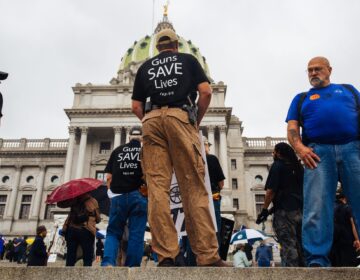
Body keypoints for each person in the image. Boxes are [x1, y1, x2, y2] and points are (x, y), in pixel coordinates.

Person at [131, 28, 227, 267]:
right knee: (193, 187)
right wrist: (195, 122)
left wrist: (150, 122)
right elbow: (205, 92)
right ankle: (207, 255)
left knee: (157, 191)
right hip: (180, 116)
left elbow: (135, 106)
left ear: (157, 46)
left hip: (151, 120)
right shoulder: (187, 60)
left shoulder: (145, 68)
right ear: (175, 45)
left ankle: (166, 255)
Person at [286, 56, 360, 267]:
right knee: (316, 206)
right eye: (309, 70)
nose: (313, 73)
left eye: (317, 69)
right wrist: (300, 148)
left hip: (352, 150)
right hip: (318, 153)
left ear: (329, 70)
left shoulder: (349, 90)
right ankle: (317, 260)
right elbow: (292, 128)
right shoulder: (301, 98)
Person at [101, 126, 147, 267]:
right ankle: (132, 266)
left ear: (128, 137)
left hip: (118, 196)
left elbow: (108, 177)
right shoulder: (145, 151)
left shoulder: (117, 151)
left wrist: (112, 194)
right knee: (136, 234)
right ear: (142, 138)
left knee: (114, 232)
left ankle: (108, 262)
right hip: (138, 195)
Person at [256, 142, 304, 267]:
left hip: (284, 212)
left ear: (278, 153)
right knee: (300, 243)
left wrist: (265, 210)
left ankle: (291, 273)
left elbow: (270, 191)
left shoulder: (277, 166)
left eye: (274, 152)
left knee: (288, 243)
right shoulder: (298, 167)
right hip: (301, 211)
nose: (273, 154)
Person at [62, 193, 101, 266]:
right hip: (86, 229)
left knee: (70, 255)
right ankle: (86, 274)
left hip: (71, 229)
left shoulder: (74, 200)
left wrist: (64, 229)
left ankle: (68, 274)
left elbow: (70, 216)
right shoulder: (92, 201)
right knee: (87, 255)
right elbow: (98, 219)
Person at [203, 136, 225, 246]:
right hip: (213, 197)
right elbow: (221, 184)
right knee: (215, 226)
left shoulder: (190, 160)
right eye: (207, 145)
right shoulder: (212, 159)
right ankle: (216, 254)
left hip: (196, 199)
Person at [330, 190, 360, 266]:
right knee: (350, 263)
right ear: (345, 198)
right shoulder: (347, 208)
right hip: (347, 239)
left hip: (334, 241)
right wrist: (357, 239)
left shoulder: (331, 208)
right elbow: (353, 225)